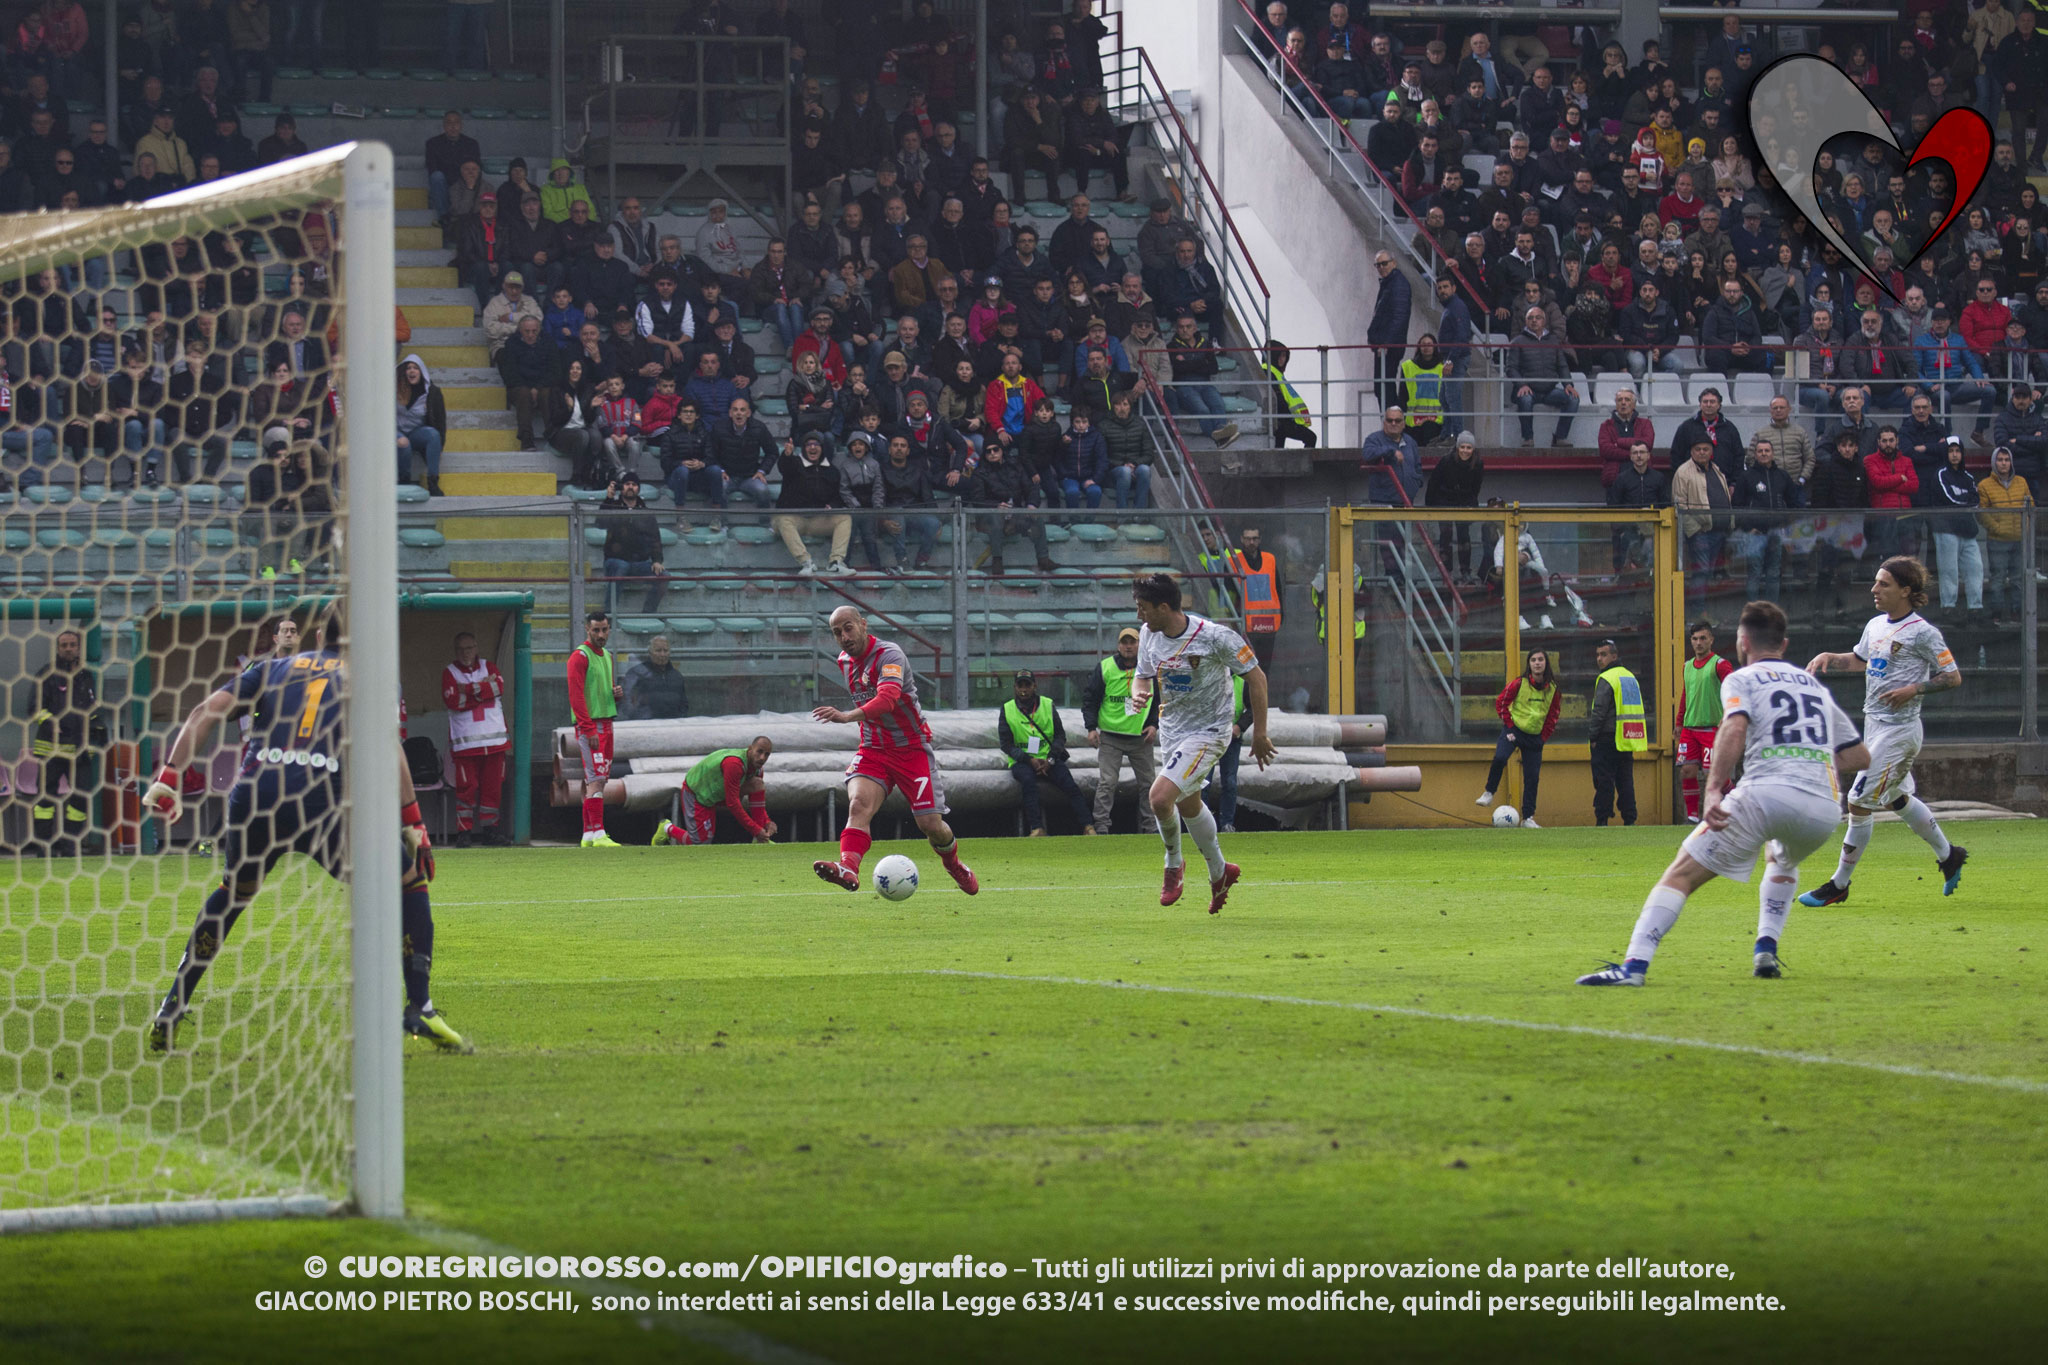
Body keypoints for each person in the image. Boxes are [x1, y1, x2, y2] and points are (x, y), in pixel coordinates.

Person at [142, 613, 469, 1053]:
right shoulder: (363, 679)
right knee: (409, 879)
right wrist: (414, 825)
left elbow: (206, 711)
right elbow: (390, 748)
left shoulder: (271, 668)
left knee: (233, 893)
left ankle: (172, 1004)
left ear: (317, 636)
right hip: (319, 802)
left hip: (255, 796)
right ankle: (420, 1006)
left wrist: (168, 778)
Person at [1576, 601, 1869, 988]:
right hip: (1822, 811)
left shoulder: (1742, 678)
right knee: (1781, 857)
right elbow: (1859, 756)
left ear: (1742, 642)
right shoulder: (1813, 687)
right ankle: (1765, 948)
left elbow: (1733, 727)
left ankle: (1633, 966)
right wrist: (1809, 762)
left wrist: (1713, 788)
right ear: (1784, 644)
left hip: (1764, 795)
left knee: (1680, 874)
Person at [1797, 558, 1970, 908]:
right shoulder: (1875, 625)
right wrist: (1831, 656)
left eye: (1883, 584)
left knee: (1858, 800)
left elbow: (1952, 677)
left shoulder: (1923, 632)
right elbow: (1861, 660)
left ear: (1905, 590)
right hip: (1874, 725)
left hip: (1900, 731)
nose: (1874, 589)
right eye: (1876, 582)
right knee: (1895, 799)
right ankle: (1949, 855)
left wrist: (1914, 689)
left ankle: (1839, 884)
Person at [1128, 572, 1276, 913]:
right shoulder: (1149, 634)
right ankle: (1220, 872)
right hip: (1172, 731)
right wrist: (1139, 694)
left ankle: (1173, 864)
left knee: (1159, 798)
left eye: (1143, 607)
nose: (1139, 615)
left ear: (1164, 607)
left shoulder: (1214, 637)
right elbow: (1142, 676)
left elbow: (1257, 677)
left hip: (1210, 731)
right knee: (1188, 804)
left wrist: (1260, 733)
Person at [809, 606, 979, 894]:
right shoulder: (844, 661)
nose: (844, 637)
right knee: (858, 805)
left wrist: (848, 716)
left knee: (931, 825)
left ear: (863, 625)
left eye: (848, 628)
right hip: (873, 748)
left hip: (911, 748)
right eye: (837, 632)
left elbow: (888, 699)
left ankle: (953, 864)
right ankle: (848, 867)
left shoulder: (890, 655)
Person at [29, 627, 105, 854]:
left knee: (81, 799)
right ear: (58, 648)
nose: (69, 649)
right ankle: (44, 847)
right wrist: (51, 722)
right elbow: (34, 708)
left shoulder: (86, 675)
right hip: (51, 750)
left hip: (80, 751)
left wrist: (98, 729)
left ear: (79, 648)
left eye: (73, 645)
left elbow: (93, 708)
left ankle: (70, 846)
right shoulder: (47, 674)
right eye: (64, 645)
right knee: (45, 800)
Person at [1082, 625, 1160, 835]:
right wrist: (1091, 728)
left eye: (1132, 642)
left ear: (1139, 645)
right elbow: (1090, 699)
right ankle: (1101, 827)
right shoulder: (1105, 667)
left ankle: (1151, 827)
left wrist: (1154, 724)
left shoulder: (1149, 668)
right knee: (1107, 783)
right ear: (1118, 646)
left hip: (1140, 736)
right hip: (1111, 736)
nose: (1128, 646)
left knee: (1148, 784)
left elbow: (1158, 700)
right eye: (1124, 642)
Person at [998, 670, 1093, 836]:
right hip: (1022, 761)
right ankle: (1037, 828)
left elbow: (1060, 736)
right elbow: (1006, 744)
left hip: (1048, 758)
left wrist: (1050, 759)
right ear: (1015, 687)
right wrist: (1029, 759)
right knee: (1028, 783)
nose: (1024, 689)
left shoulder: (1048, 705)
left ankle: (1088, 826)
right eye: (1020, 685)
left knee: (1070, 785)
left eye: (1027, 685)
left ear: (1034, 686)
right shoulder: (1007, 709)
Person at [440, 631, 510, 847]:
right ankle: (464, 832)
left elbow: (499, 687)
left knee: (493, 789)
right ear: (455, 651)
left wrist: (468, 690)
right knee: (466, 789)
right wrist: (483, 691)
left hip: (494, 744)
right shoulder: (450, 672)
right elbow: (453, 701)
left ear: (476, 648)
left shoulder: (489, 667)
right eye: (461, 649)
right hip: (466, 745)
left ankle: (491, 831)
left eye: (469, 648)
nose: (465, 653)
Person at [1476, 649, 1559, 827]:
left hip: (1535, 736)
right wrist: (1509, 726)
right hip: (1514, 730)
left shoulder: (1553, 689)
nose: (1537, 663)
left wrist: (1543, 738)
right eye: (1533, 660)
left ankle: (1528, 818)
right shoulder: (1519, 683)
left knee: (1532, 778)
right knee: (1500, 757)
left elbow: (1553, 715)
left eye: (1540, 659)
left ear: (1546, 663)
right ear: (1529, 664)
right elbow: (1501, 702)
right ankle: (1489, 792)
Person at [566, 610, 624, 848]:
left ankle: (588, 835)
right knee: (595, 779)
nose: (601, 634)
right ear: (587, 629)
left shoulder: (608, 656)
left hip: (607, 724)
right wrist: (588, 728)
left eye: (604, 629)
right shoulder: (579, 657)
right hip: (591, 726)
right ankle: (599, 832)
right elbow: (576, 696)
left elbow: (599, 690)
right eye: (596, 630)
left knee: (599, 779)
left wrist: (615, 694)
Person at [653, 736, 777, 847]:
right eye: (759, 751)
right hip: (697, 793)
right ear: (750, 749)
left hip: (716, 793)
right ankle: (667, 828)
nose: (762, 758)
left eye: (767, 754)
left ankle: (761, 841)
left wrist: (766, 822)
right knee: (700, 844)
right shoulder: (735, 764)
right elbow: (732, 803)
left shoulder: (757, 769)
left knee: (757, 784)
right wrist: (755, 830)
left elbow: (748, 796)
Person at [1675, 621, 1734, 825]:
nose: (1698, 643)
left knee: (1713, 774)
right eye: (1695, 639)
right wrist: (1679, 723)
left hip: (1712, 728)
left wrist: (1728, 715)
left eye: (1703, 638)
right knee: (1687, 771)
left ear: (1711, 640)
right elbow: (1686, 695)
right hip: (1690, 729)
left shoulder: (1720, 664)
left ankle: (1734, 800)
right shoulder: (1687, 666)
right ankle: (1692, 816)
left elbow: (1733, 691)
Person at [1588, 638, 1646, 828]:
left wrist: (1593, 736)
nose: (1599, 659)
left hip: (1606, 737)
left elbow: (1599, 711)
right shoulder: (1629, 677)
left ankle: (1602, 819)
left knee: (1604, 781)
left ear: (1614, 656)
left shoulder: (1607, 678)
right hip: (1626, 736)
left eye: (1603, 655)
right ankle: (1630, 818)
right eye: (1597, 655)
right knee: (1625, 781)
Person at [1977, 445, 2033, 626]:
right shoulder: (1984, 485)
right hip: (1998, 540)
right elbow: (1982, 513)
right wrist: (1997, 528)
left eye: (2007, 460)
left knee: (2018, 578)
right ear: (1994, 462)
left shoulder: (2021, 482)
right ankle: (1997, 613)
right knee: (1998, 578)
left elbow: (2030, 507)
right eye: (2000, 460)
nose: (2003, 463)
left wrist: (2025, 526)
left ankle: (2017, 612)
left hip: (2019, 539)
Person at [1929, 437, 1984, 613]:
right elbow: (1949, 499)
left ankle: (1975, 607)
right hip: (1946, 530)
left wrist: (1965, 501)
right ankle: (1948, 607)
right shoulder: (1940, 475)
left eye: (1957, 451)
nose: (1954, 455)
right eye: (1951, 451)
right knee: (1949, 571)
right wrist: (1966, 501)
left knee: (1976, 569)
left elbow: (1976, 500)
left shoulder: (1968, 477)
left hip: (1968, 530)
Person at [1224, 526, 1282, 672]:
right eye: (1248, 539)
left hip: (1268, 625)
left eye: (1254, 539)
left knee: (1264, 669)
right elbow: (1229, 595)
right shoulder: (1233, 562)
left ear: (1259, 540)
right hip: (1245, 625)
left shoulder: (1270, 559)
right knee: (1247, 669)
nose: (1251, 542)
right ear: (1242, 540)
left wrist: (1281, 615)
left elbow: (1278, 589)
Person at [620, 634, 691, 720]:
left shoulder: (676, 676)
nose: (662, 654)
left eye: (665, 650)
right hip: (646, 724)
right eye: (658, 650)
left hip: (673, 724)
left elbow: (684, 704)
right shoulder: (637, 673)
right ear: (650, 653)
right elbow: (627, 703)